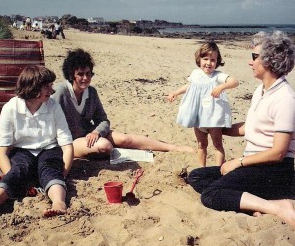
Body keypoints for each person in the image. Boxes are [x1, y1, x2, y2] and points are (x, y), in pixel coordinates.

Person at [187, 31, 295, 228]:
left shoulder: (285, 98)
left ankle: (277, 207)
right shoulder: (262, 90)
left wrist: (239, 162)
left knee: (211, 194)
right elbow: (249, 128)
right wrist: (215, 126)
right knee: (197, 176)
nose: (250, 62)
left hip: (274, 171)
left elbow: (279, 152)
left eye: (254, 57)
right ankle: (254, 203)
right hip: (254, 167)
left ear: (269, 61)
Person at [52, 49, 195, 158]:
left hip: (90, 134)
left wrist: (96, 131)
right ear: (71, 75)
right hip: (70, 141)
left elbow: (103, 120)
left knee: (126, 139)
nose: (85, 78)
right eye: (81, 74)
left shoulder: (92, 92)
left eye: (88, 74)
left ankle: (172, 147)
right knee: (105, 146)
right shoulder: (61, 92)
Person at [0, 66, 74, 217]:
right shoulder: (11, 108)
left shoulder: (53, 107)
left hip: (49, 149)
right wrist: (12, 176)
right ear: (32, 88)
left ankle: (59, 203)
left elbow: (67, 145)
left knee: (50, 169)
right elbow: (3, 151)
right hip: (21, 150)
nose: (52, 90)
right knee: (17, 171)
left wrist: (62, 174)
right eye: (47, 86)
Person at [168, 41, 239, 166]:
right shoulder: (195, 74)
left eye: (213, 60)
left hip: (213, 117)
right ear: (199, 60)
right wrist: (175, 92)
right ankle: (202, 169)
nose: (208, 63)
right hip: (198, 115)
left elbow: (234, 82)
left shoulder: (218, 76)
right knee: (201, 145)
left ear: (217, 61)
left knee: (217, 145)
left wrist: (222, 87)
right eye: (205, 58)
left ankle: (218, 170)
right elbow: (189, 86)